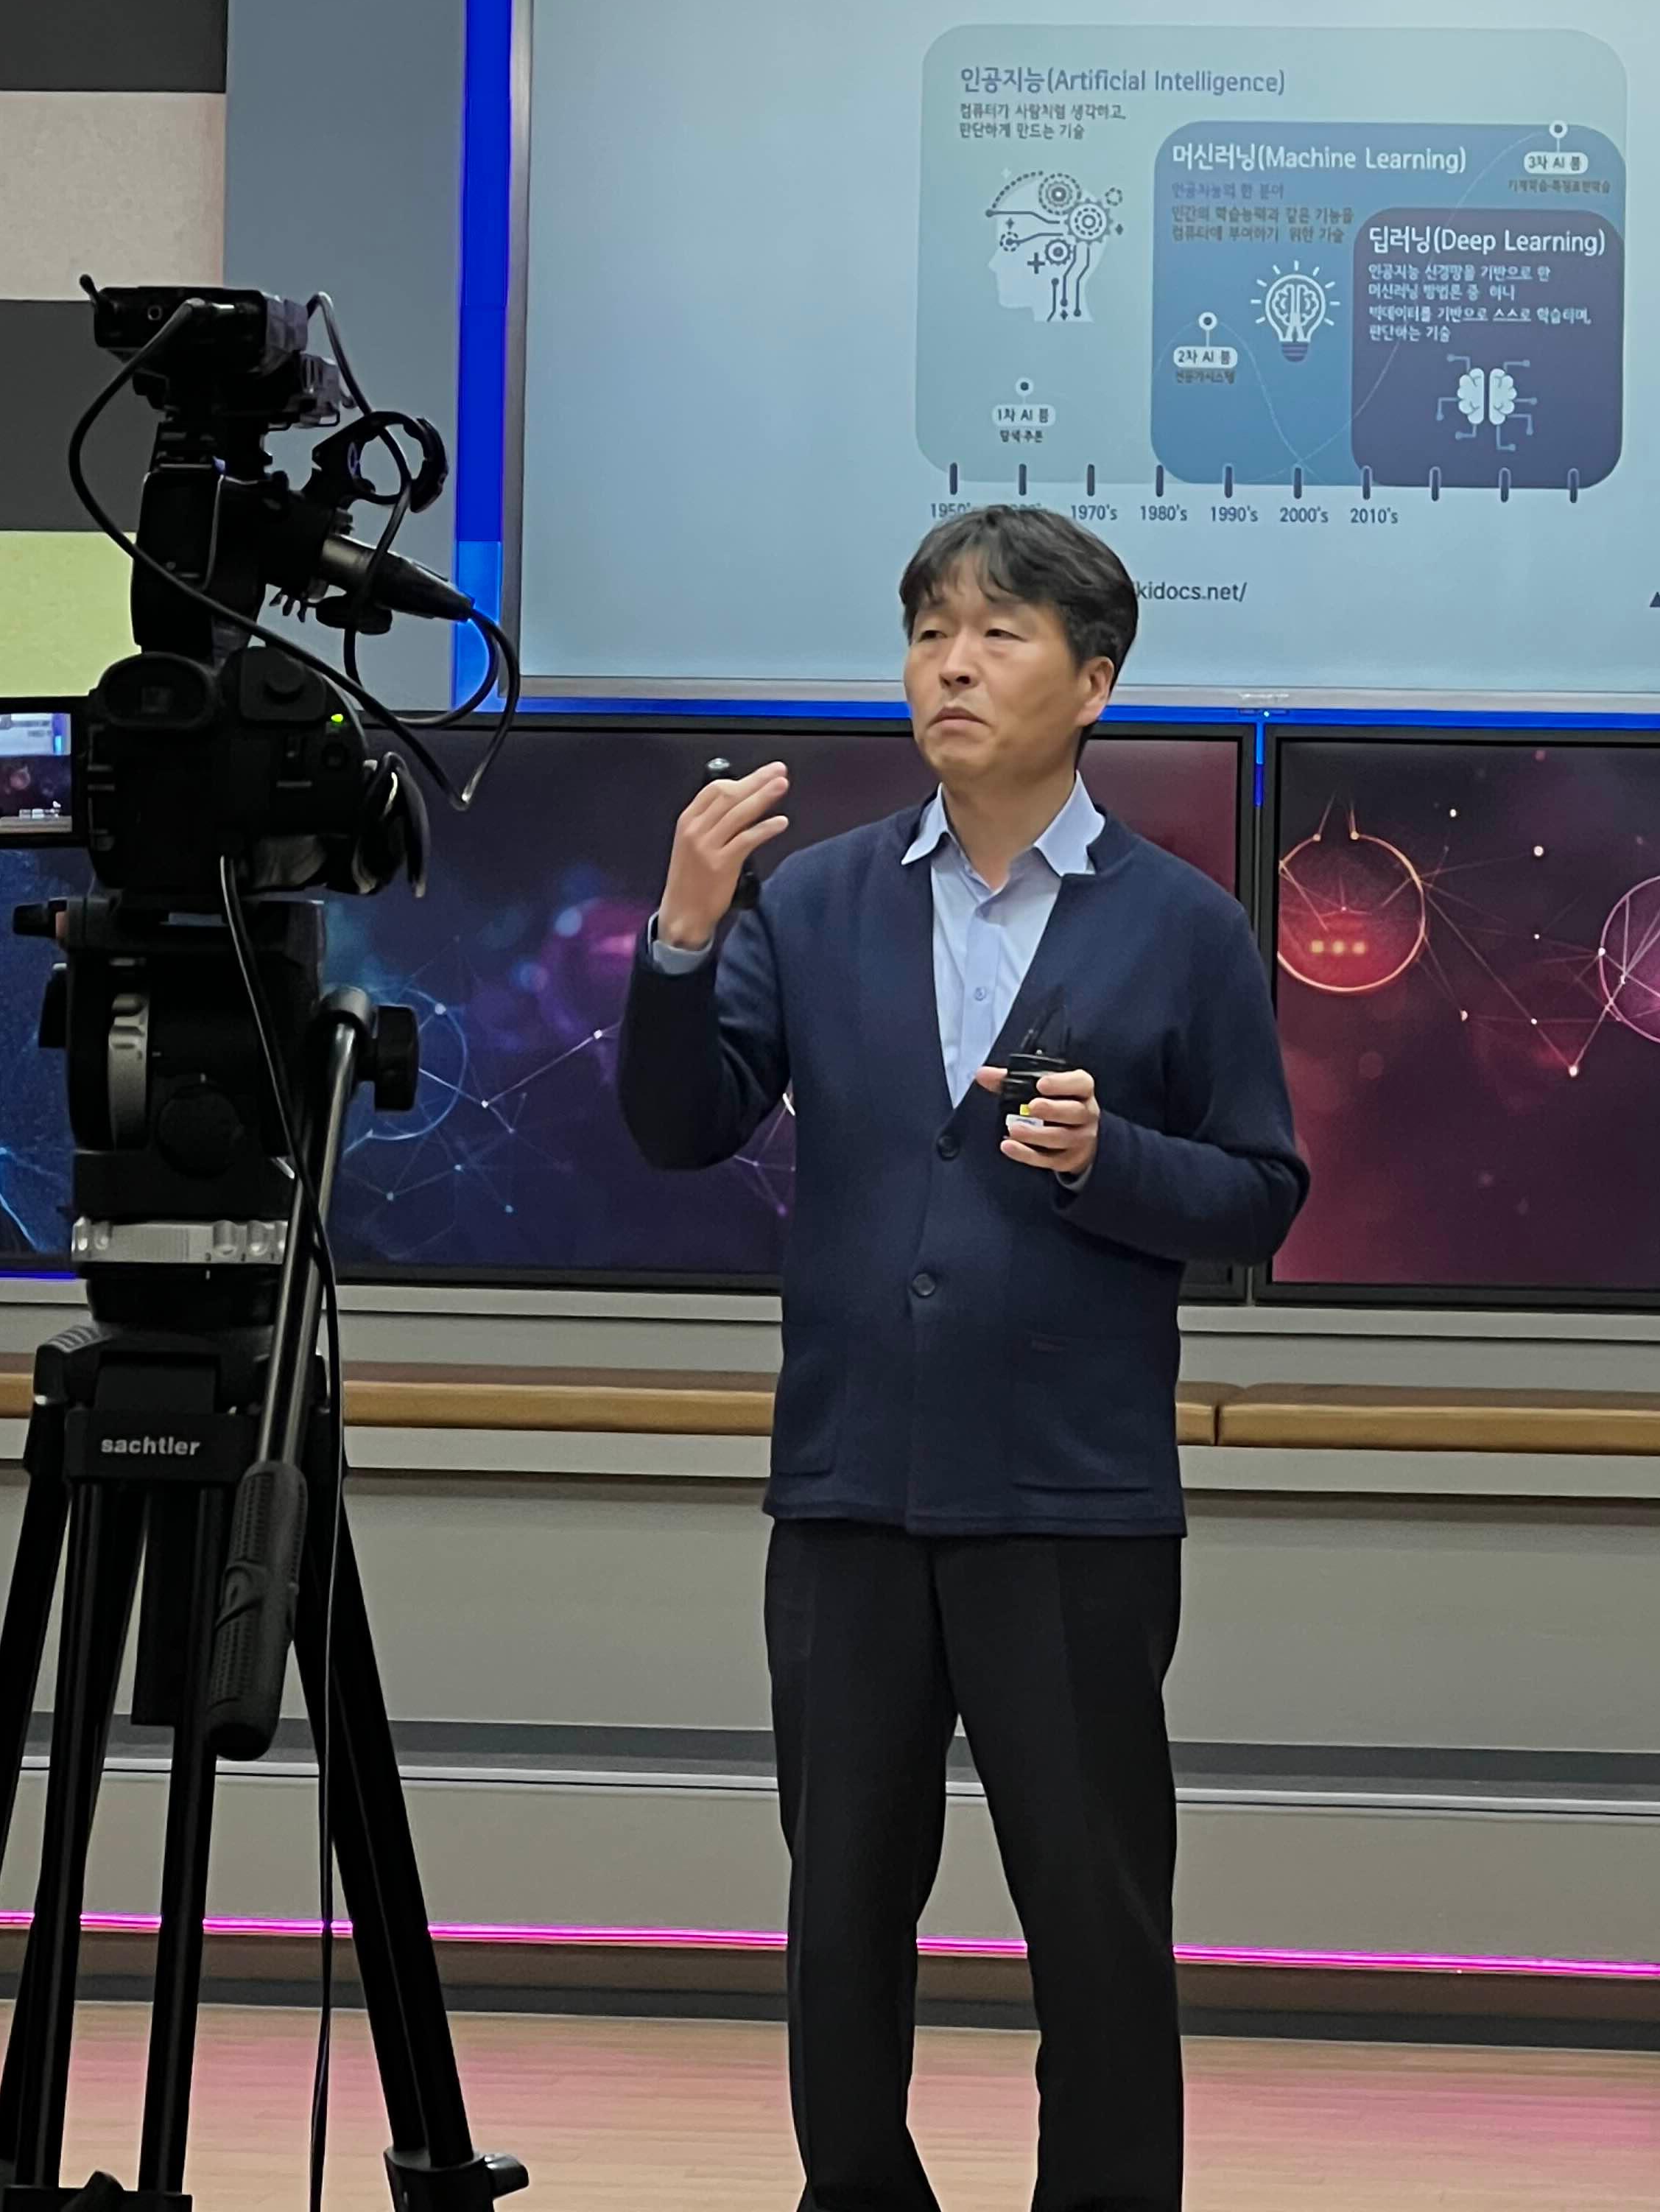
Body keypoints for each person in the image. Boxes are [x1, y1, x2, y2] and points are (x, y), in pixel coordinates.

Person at [619, 508, 1306, 2212]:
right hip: (850, 1486)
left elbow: (1261, 1193)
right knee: (840, 1908)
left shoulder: (1184, 927)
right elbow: (680, 1125)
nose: (952, 665)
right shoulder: (818, 900)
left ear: (1096, 682)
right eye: (930, 631)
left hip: (1070, 1501)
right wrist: (685, 938)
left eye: (999, 635)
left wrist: (1110, 1160)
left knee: (1094, 1912)